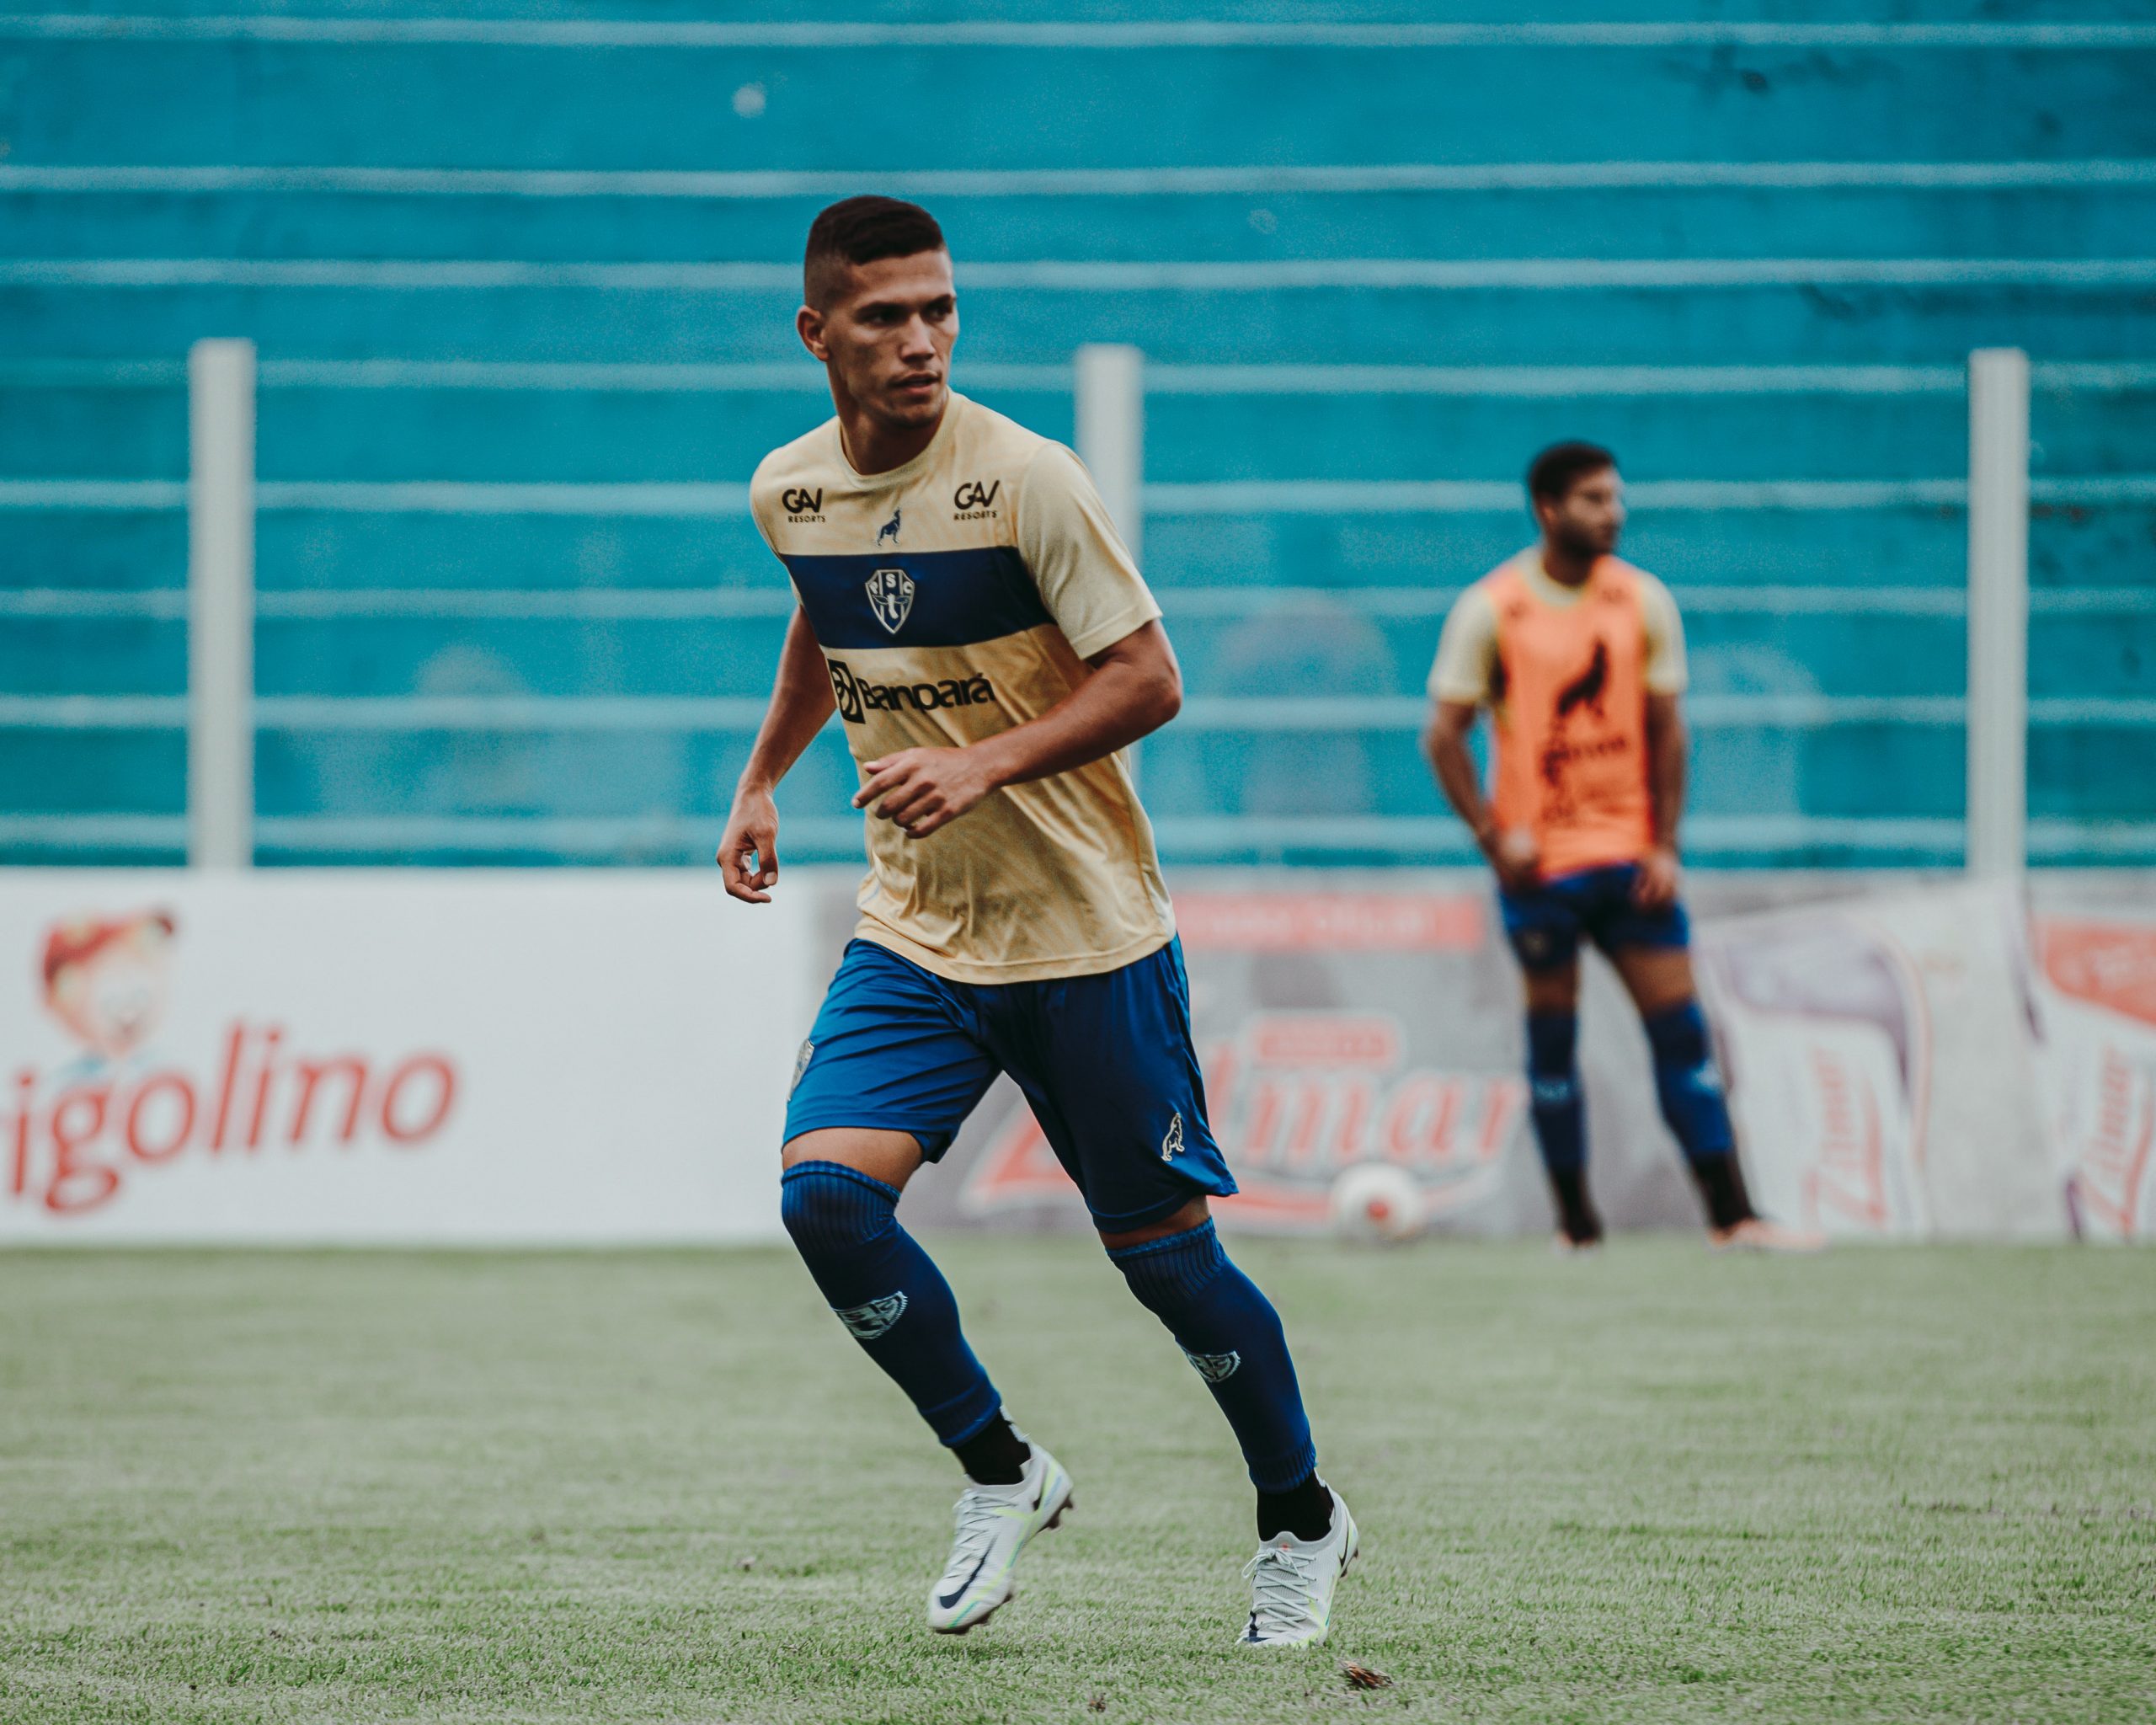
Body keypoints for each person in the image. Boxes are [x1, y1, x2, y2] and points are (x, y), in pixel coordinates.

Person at [717, 196, 1358, 1648]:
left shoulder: (1026, 479)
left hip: (1089, 940)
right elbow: (831, 624)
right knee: (824, 1198)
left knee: (1168, 1269)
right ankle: (1001, 1469)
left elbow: (1150, 678)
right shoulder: (789, 487)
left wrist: (983, 759)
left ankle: (1303, 1515)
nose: (922, 340)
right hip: (920, 935)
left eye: (940, 309)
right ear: (817, 333)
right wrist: (762, 776)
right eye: (885, 316)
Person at [1422, 441, 1820, 1253]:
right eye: (1596, 499)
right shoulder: (1493, 608)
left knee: (1682, 1038)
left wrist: (1666, 843)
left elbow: (1668, 731)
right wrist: (1496, 840)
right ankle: (1577, 1228)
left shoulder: (1641, 601)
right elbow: (1443, 738)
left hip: (1632, 862)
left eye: (1616, 498)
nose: (1615, 512)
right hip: (1544, 874)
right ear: (1548, 509)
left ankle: (1734, 1218)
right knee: (1555, 1049)